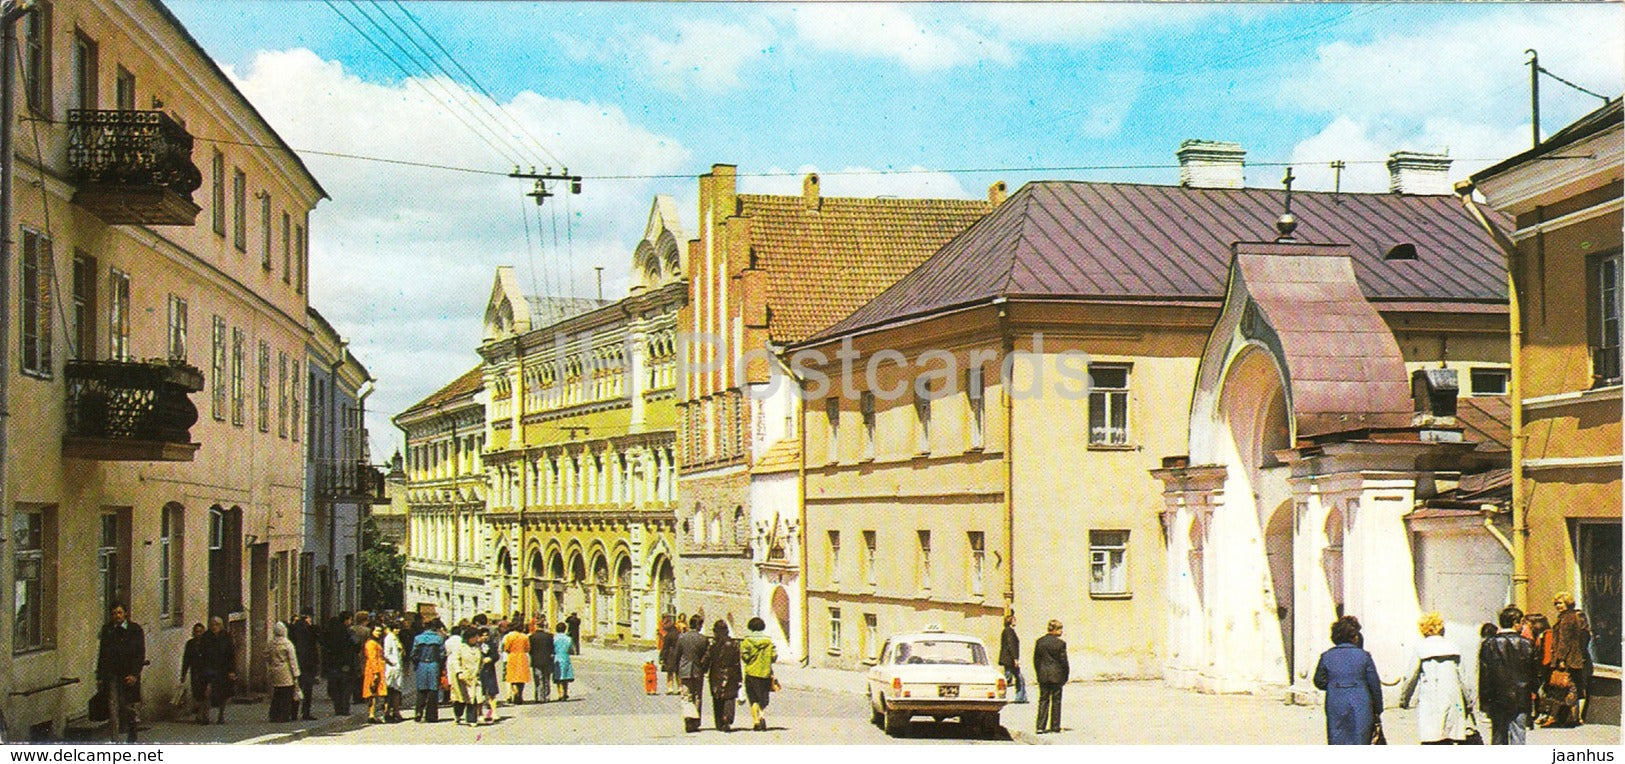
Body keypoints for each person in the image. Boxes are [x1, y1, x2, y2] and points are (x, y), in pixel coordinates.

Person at [1398, 612, 1471, 744]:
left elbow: (1410, 677)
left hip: (1431, 699)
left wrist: (1404, 699)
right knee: (1450, 737)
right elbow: (1463, 679)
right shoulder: (1453, 646)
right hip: (1452, 699)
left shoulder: (1421, 648)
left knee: (1432, 738)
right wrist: (1468, 701)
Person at [1313, 615, 1384, 745]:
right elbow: (1374, 685)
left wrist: (1334, 685)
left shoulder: (1326, 656)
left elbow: (1318, 681)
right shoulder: (1364, 656)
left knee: (1337, 739)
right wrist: (1378, 709)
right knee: (1361, 739)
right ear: (1354, 637)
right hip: (1361, 703)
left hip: (1335, 703)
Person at [1480, 604, 1538, 745]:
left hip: (1497, 697)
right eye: (1521, 623)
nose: (1523, 626)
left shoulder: (1489, 644)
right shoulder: (1527, 644)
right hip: (1520, 696)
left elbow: (1485, 675)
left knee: (1499, 735)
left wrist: (1485, 701)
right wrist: (1534, 692)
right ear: (1515, 623)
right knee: (1518, 735)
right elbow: (1534, 673)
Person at [96, 603, 145, 743]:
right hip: (112, 675)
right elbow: (102, 654)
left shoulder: (135, 630)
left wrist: (135, 674)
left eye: (119, 613)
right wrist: (100, 676)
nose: (116, 616)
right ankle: (115, 739)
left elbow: (140, 654)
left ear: (125, 614)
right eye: (114, 613)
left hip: (129, 674)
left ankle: (132, 729)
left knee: (128, 706)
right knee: (113, 707)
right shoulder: (107, 630)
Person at [1543, 592, 1591, 727]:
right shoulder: (1572, 617)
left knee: (1564, 687)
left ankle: (1561, 717)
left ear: (1567, 603)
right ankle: (1572, 717)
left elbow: (1564, 641)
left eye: (1560, 603)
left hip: (1568, 659)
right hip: (1575, 658)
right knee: (1571, 687)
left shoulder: (1567, 619)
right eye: (1556, 603)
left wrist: (1561, 659)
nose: (1557, 606)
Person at [739, 617, 777, 731]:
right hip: (765, 673)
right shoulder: (769, 641)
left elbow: (744, 656)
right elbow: (774, 657)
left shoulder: (746, 641)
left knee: (753, 697)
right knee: (763, 698)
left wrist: (751, 660)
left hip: (751, 672)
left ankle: (756, 721)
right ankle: (762, 715)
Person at [675, 614, 711, 732]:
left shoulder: (682, 638)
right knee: (697, 695)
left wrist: (677, 669)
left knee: (686, 696)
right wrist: (704, 668)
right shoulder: (703, 639)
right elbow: (707, 656)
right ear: (699, 625)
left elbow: (677, 654)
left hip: (685, 669)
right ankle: (695, 721)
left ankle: (688, 718)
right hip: (697, 670)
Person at [705, 620, 742, 732]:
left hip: (716, 673)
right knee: (730, 698)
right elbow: (737, 662)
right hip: (731, 673)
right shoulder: (734, 644)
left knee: (717, 698)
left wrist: (704, 670)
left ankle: (719, 722)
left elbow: (707, 658)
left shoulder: (713, 644)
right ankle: (727, 718)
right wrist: (740, 677)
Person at [1032, 619, 1068, 734]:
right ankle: (1055, 725)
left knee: (1043, 700)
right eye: (1060, 629)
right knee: (1056, 701)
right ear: (1055, 630)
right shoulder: (1060, 644)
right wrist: (1065, 675)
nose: (1062, 632)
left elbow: (1036, 660)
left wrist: (1039, 672)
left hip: (1043, 674)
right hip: (1057, 675)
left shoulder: (1040, 642)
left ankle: (1040, 726)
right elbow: (1063, 662)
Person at [198, 616, 236, 724]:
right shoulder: (206, 637)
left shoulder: (226, 637)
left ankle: (221, 716)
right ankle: (205, 716)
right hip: (208, 668)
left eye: (217, 624)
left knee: (223, 693)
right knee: (207, 692)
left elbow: (231, 654)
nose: (214, 627)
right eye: (212, 624)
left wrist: (232, 670)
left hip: (223, 669)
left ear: (221, 626)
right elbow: (202, 653)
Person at [288, 609, 322, 721]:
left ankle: (293, 713)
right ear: (308, 617)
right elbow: (318, 637)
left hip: (298, 662)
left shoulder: (293, 628)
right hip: (308, 663)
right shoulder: (308, 629)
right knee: (307, 690)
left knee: (297, 689)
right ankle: (305, 713)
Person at [412, 620, 446, 722]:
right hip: (434, 664)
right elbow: (442, 654)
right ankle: (431, 715)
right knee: (433, 690)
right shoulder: (439, 639)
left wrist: (416, 664)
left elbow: (413, 653)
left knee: (421, 689)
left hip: (422, 664)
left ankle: (419, 711)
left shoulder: (418, 638)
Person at [266, 621, 301, 723]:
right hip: (286, 671)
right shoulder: (287, 643)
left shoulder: (271, 643)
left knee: (277, 694)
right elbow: (292, 660)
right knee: (286, 695)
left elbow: (266, 656)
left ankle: (273, 715)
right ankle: (284, 715)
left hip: (274, 671)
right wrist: (296, 674)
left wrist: (272, 664)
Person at [324, 613, 355, 716]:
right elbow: (355, 645)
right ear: (346, 620)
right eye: (350, 620)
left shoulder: (329, 632)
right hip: (345, 663)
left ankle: (338, 709)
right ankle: (345, 709)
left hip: (332, 663)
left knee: (336, 688)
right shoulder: (348, 632)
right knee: (346, 687)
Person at [179, 623, 209, 724]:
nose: (198, 634)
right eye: (196, 631)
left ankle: (204, 715)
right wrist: (183, 674)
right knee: (197, 693)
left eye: (201, 632)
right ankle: (199, 715)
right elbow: (186, 659)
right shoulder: (190, 644)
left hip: (206, 671)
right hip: (195, 671)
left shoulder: (207, 644)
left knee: (205, 693)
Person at [999, 612, 1028, 704]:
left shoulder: (1008, 631)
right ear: (1010, 621)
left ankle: (1021, 697)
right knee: (1007, 679)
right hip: (1010, 660)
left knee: (1019, 678)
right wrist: (1015, 658)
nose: (1015, 621)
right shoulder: (1008, 631)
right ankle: (999, 694)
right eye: (1014, 620)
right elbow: (1011, 645)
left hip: (1009, 659)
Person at [444, 626, 471, 724]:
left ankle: (453, 699)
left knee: (453, 684)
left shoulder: (448, 641)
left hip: (451, 662)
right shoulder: (462, 641)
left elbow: (447, 652)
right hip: (462, 662)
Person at [361, 625, 387, 723]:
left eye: (380, 631)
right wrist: (375, 672)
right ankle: (371, 715)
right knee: (372, 692)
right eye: (376, 631)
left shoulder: (376, 642)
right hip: (373, 669)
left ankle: (374, 714)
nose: (378, 633)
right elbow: (372, 658)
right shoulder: (370, 643)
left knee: (376, 692)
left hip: (378, 668)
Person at [503, 622, 531, 704]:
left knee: (512, 677)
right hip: (522, 657)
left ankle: (515, 692)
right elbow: (528, 648)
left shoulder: (510, 636)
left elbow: (506, 648)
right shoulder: (525, 637)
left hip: (512, 657)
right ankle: (520, 694)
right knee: (522, 678)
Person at [383, 621, 405, 722]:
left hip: (397, 667)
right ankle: (387, 712)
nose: (398, 630)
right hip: (391, 668)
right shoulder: (389, 638)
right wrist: (393, 663)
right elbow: (386, 654)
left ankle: (396, 711)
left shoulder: (396, 638)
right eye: (396, 628)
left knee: (396, 690)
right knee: (389, 690)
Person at [529, 619, 555, 703]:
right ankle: (546, 696)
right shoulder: (549, 636)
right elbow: (552, 648)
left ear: (536, 626)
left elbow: (530, 650)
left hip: (536, 660)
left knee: (538, 679)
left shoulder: (532, 637)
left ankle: (539, 697)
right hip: (547, 660)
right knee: (546, 679)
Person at [479, 625, 502, 723]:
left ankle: (494, 712)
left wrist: (491, 659)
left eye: (486, 635)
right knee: (479, 693)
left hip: (489, 670)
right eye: (482, 635)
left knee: (492, 692)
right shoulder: (476, 645)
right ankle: (479, 713)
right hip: (479, 671)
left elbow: (496, 655)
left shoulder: (491, 644)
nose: (485, 637)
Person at [659, 615, 681, 695]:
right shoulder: (678, 633)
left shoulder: (668, 635)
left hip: (670, 655)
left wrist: (662, 657)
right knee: (678, 672)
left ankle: (670, 688)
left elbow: (665, 647)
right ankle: (680, 687)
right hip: (679, 654)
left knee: (670, 672)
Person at [553, 622, 575, 700]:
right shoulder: (568, 638)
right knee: (565, 676)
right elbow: (571, 649)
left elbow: (552, 648)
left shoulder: (554, 638)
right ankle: (565, 692)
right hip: (565, 657)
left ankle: (560, 693)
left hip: (557, 658)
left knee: (558, 677)